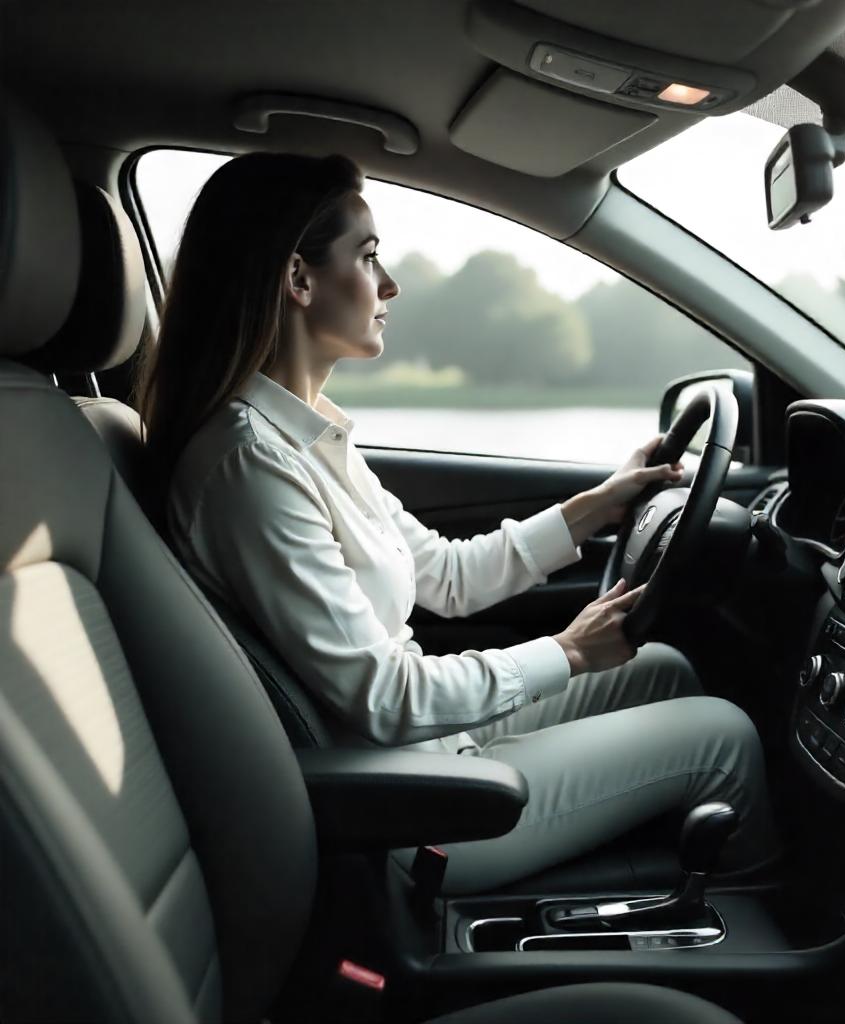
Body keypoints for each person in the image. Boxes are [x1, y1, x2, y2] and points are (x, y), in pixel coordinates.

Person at [138, 152, 778, 894]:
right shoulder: (249, 465)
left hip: (434, 744)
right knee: (724, 735)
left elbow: (441, 575)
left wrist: (598, 504)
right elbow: (384, 696)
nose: (389, 285)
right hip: (413, 806)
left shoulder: (304, 435)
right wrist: (567, 652)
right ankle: (771, 941)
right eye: (368, 256)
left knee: (661, 670)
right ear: (298, 278)